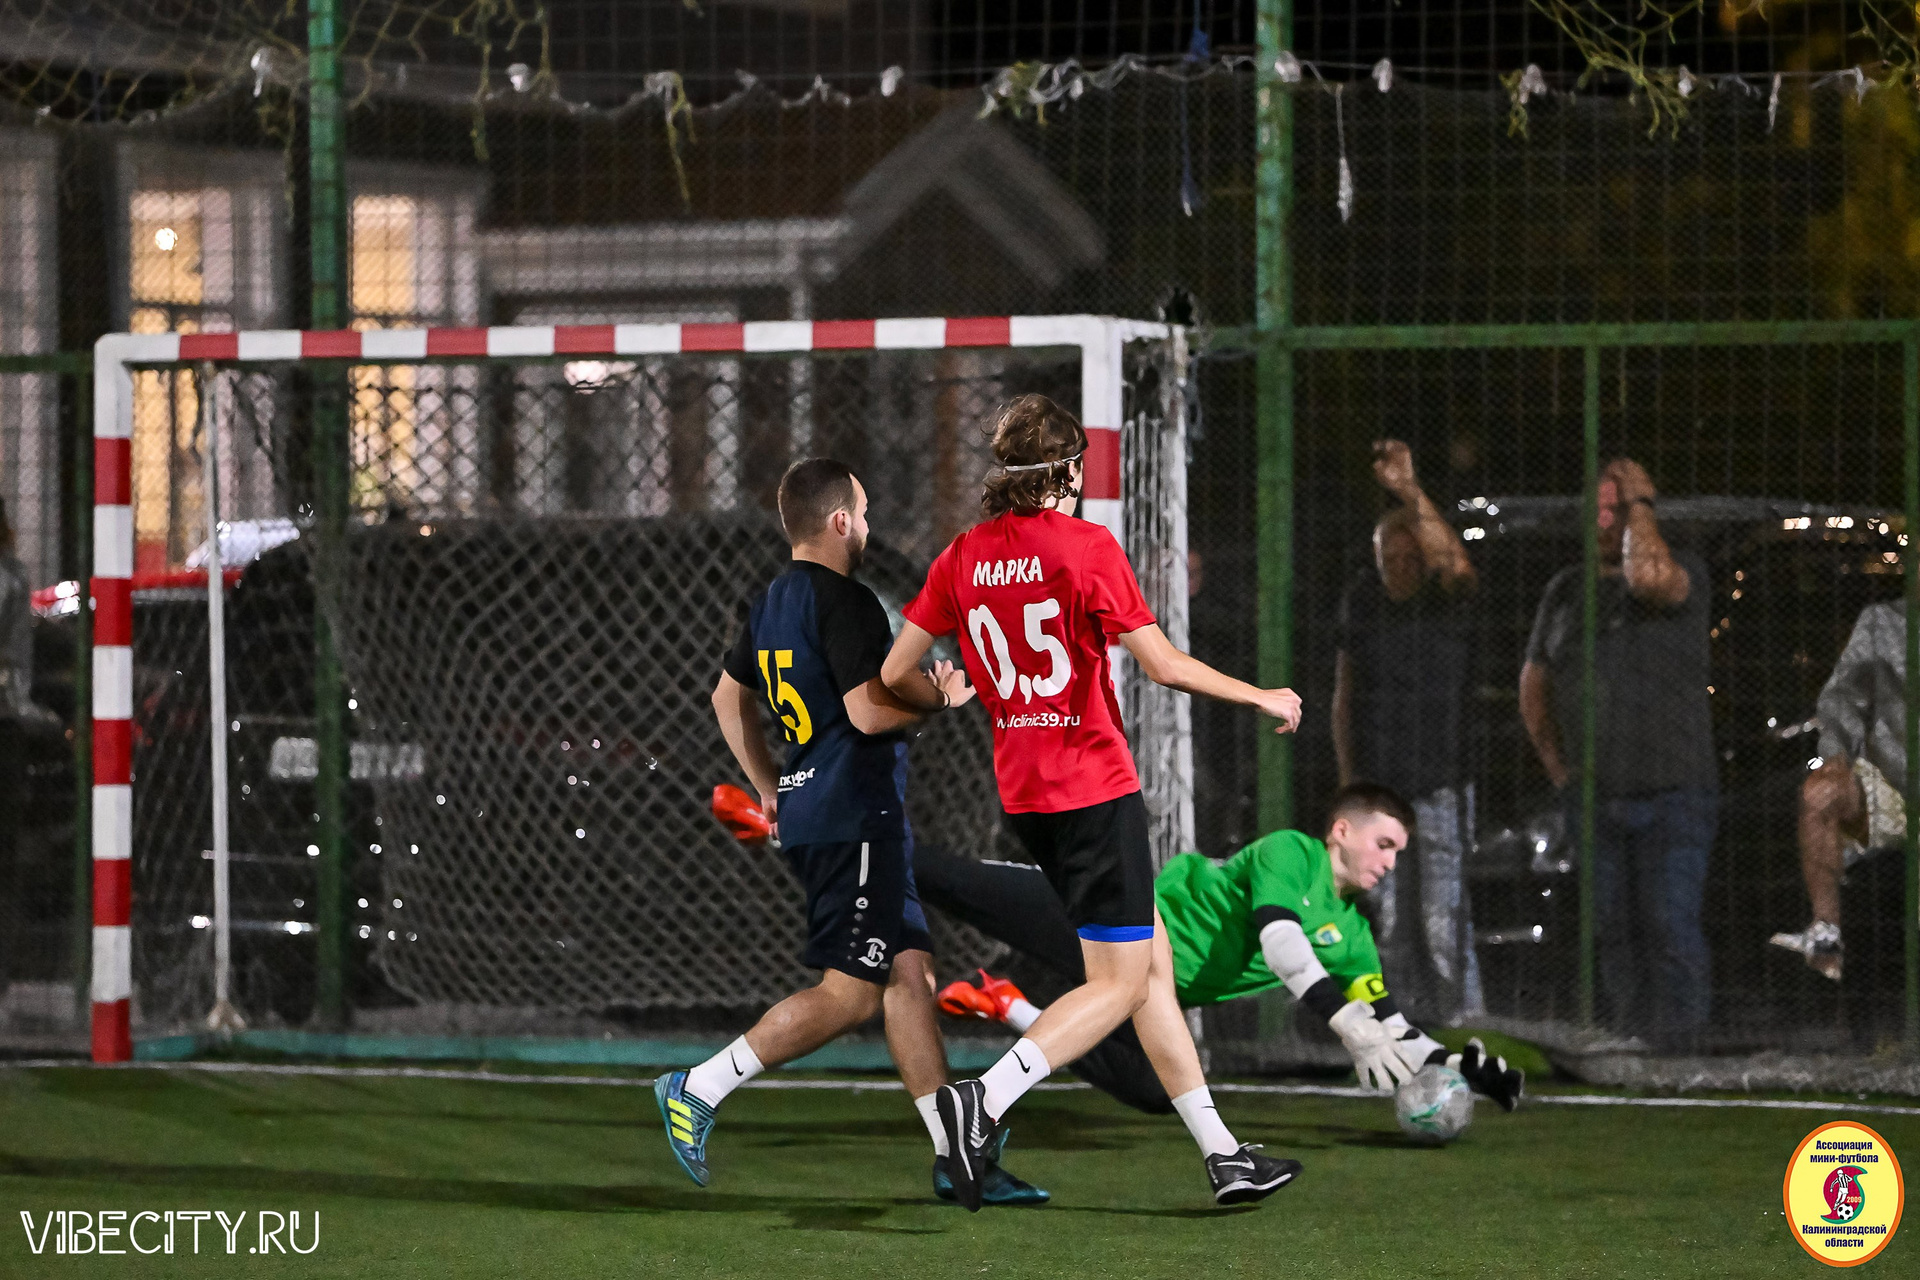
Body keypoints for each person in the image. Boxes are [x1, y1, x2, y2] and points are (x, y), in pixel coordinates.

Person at [880, 394, 1305, 1211]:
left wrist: (950, 693)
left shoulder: (962, 556)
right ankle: (983, 1100)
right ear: (1067, 470)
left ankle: (1224, 1155)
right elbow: (1164, 666)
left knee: (1150, 972)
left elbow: (899, 671)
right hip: (1093, 789)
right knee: (1118, 985)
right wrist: (1260, 696)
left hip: (1026, 796)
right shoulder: (1086, 547)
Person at [657, 458, 1045, 1206]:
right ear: (840, 521)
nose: (867, 526)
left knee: (910, 977)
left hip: (824, 811)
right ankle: (699, 1087)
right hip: (852, 815)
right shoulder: (848, 600)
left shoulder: (771, 599)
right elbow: (867, 713)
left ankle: (955, 1155)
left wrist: (768, 785)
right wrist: (941, 698)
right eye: (863, 514)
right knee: (853, 994)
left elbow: (726, 699)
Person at [925, 783, 1524, 1116]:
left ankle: (1005, 1002)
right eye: (1384, 844)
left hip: (1147, 993)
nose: (1390, 863)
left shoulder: (1355, 937)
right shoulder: (1292, 853)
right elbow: (1280, 939)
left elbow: (1391, 1027)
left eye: (1399, 853)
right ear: (1341, 831)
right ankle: (871, 853)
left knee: (1155, 1092)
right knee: (948, 881)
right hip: (1117, 924)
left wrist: (1459, 1067)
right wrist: (1344, 1021)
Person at [1519, 458, 1718, 1050]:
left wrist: (1641, 505)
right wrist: (1560, 771)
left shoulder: (1683, 571)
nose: (1606, 522)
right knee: (1614, 931)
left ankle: (1679, 1054)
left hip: (1675, 790)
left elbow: (1648, 579)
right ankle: (1630, 1047)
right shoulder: (1565, 589)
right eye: (1599, 511)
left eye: (1619, 509)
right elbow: (1534, 686)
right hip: (1595, 795)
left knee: (1670, 925)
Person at [1332, 439, 1485, 1025]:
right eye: (1387, 557)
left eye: (1407, 556)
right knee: (1389, 921)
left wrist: (1410, 491)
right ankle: (1397, 1026)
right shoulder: (1363, 601)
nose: (1397, 567)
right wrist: (1350, 781)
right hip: (1379, 790)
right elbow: (1344, 697)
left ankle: (1464, 1026)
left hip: (1440, 781)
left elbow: (1457, 567)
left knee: (1444, 920)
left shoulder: (1444, 602)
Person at [1769, 600, 1907, 982]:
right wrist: (1834, 756)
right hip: (1892, 787)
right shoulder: (1882, 622)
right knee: (1820, 793)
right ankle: (1826, 933)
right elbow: (1843, 696)